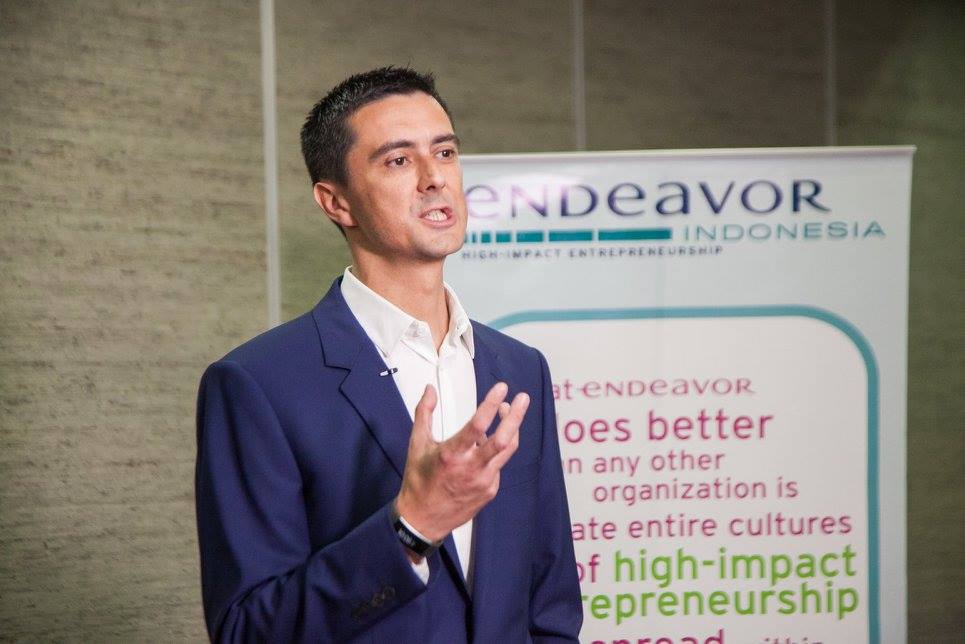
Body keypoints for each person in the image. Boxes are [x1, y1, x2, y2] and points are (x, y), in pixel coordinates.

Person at [194, 66, 582, 643]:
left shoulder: (519, 367)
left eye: (445, 152)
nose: (435, 178)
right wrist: (411, 528)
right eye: (399, 160)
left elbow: (550, 609)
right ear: (337, 202)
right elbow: (246, 631)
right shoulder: (258, 385)